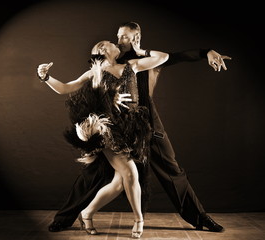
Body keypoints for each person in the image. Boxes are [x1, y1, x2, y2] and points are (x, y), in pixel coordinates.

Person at [47, 21, 231, 233]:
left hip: (148, 125)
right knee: (95, 174)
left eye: (124, 37)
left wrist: (206, 52)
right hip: (116, 129)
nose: (119, 41)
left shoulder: (142, 61)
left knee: (173, 172)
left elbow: (175, 57)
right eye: (117, 37)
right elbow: (87, 91)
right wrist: (109, 99)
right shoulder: (107, 62)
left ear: (135, 38)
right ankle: (64, 218)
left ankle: (200, 218)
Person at [37, 40, 169, 238]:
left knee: (119, 182)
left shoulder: (132, 65)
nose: (117, 43)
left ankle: (87, 212)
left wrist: (141, 50)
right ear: (102, 49)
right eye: (111, 42)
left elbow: (163, 57)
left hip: (133, 128)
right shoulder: (95, 72)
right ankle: (139, 220)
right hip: (109, 129)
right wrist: (45, 77)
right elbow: (66, 88)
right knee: (131, 173)